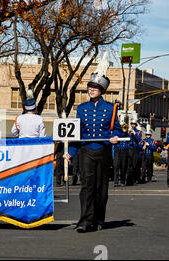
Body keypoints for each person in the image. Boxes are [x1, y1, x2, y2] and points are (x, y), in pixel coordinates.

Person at [63, 51, 123, 233]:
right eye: (90, 87)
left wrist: (114, 137)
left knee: (101, 189)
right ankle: (84, 221)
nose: (91, 90)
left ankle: (98, 219)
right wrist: (70, 153)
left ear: (102, 90)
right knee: (86, 187)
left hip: (103, 150)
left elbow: (117, 129)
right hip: (87, 150)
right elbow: (76, 134)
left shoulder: (111, 108)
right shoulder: (81, 109)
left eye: (95, 87)